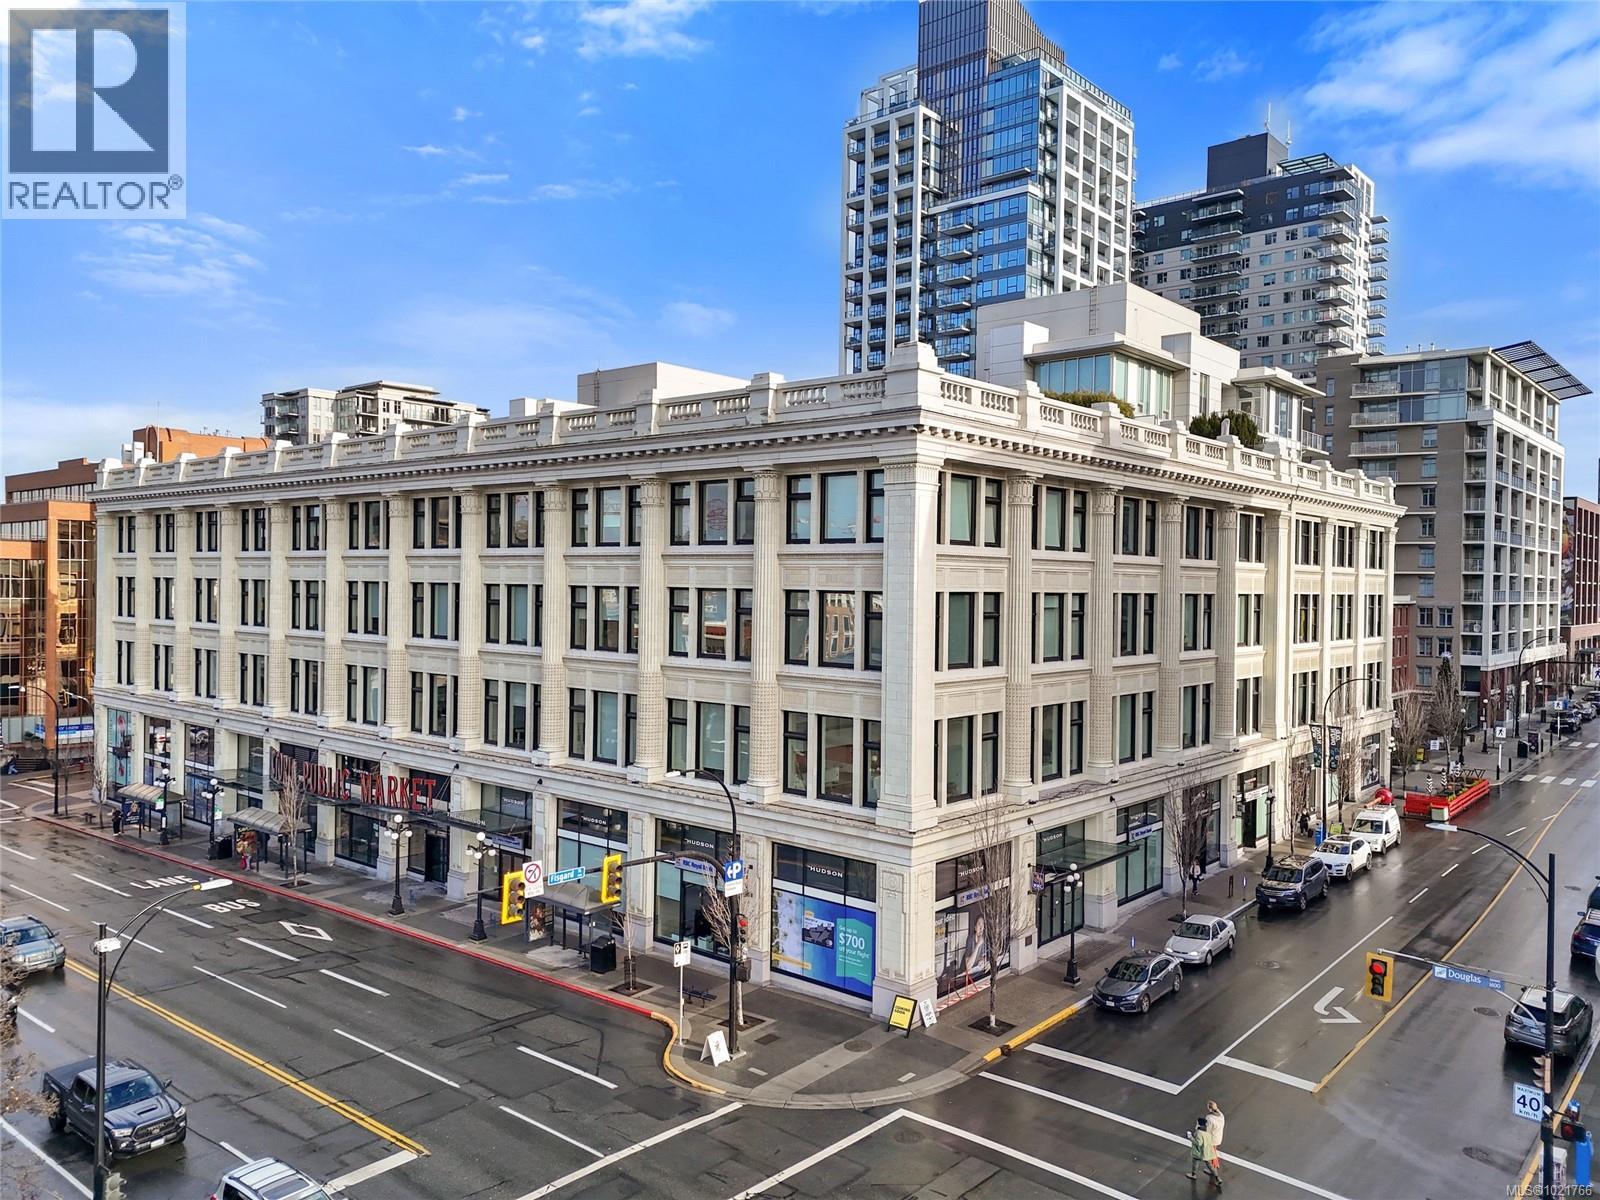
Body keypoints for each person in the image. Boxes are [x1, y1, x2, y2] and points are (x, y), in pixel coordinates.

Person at [1187, 1116, 1221, 1189]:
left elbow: (1198, 1143)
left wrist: (1191, 1138)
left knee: (1195, 1163)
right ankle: (1217, 1178)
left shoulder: (1199, 1132)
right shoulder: (1207, 1132)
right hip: (1207, 1152)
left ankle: (1193, 1174)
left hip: (1199, 1152)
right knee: (1210, 1165)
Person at [1205, 1100, 1226, 1183]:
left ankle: (1214, 1168)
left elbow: (1207, 1130)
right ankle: (1215, 1165)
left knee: (1211, 1155)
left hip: (1212, 1139)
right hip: (1218, 1137)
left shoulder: (1209, 1118)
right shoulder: (1221, 1115)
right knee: (1214, 1152)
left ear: (1209, 1108)